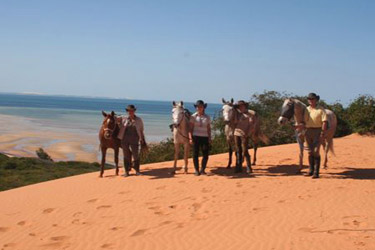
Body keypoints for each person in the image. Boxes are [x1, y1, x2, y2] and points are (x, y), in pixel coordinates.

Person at [303, 93, 328, 178]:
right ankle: (310, 170)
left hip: (317, 131)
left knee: (316, 151)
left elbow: (324, 121)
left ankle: (316, 172)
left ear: (316, 100)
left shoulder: (321, 109)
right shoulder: (306, 109)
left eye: (312, 99)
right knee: (310, 152)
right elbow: (303, 121)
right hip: (308, 131)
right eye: (309, 99)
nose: (310, 100)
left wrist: (322, 133)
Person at [117, 104, 145, 176]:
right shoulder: (124, 118)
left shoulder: (139, 120)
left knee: (135, 155)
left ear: (134, 111)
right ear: (127, 111)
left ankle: (137, 171)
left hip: (135, 139)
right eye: (128, 111)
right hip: (124, 139)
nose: (130, 112)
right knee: (126, 155)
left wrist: (141, 139)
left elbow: (141, 130)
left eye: (131, 111)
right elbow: (115, 118)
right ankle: (126, 172)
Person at [189, 100, 211, 176]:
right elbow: (190, 129)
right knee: (195, 154)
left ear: (203, 107)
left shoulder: (207, 117)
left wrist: (210, 138)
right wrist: (190, 138)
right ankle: (196, 170)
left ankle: (203, 169)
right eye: (197, 107)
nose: (199, 108)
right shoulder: (193, 116)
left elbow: (209, 128)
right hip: (195, 137)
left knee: (205, 154)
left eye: (200, 106)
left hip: (205, 137)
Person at [233, 100, 252, 174]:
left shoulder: (248, 114)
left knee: (245, 150)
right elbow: (234, 123)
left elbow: (251, 125)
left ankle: (248, 166)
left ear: (245, 106)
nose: (241, 107)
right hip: (236, 133)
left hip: (244, 134)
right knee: (238, 150)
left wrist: (248, 133)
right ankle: (238, 166)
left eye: (242, 106)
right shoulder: (237, 114)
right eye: (239, 106)